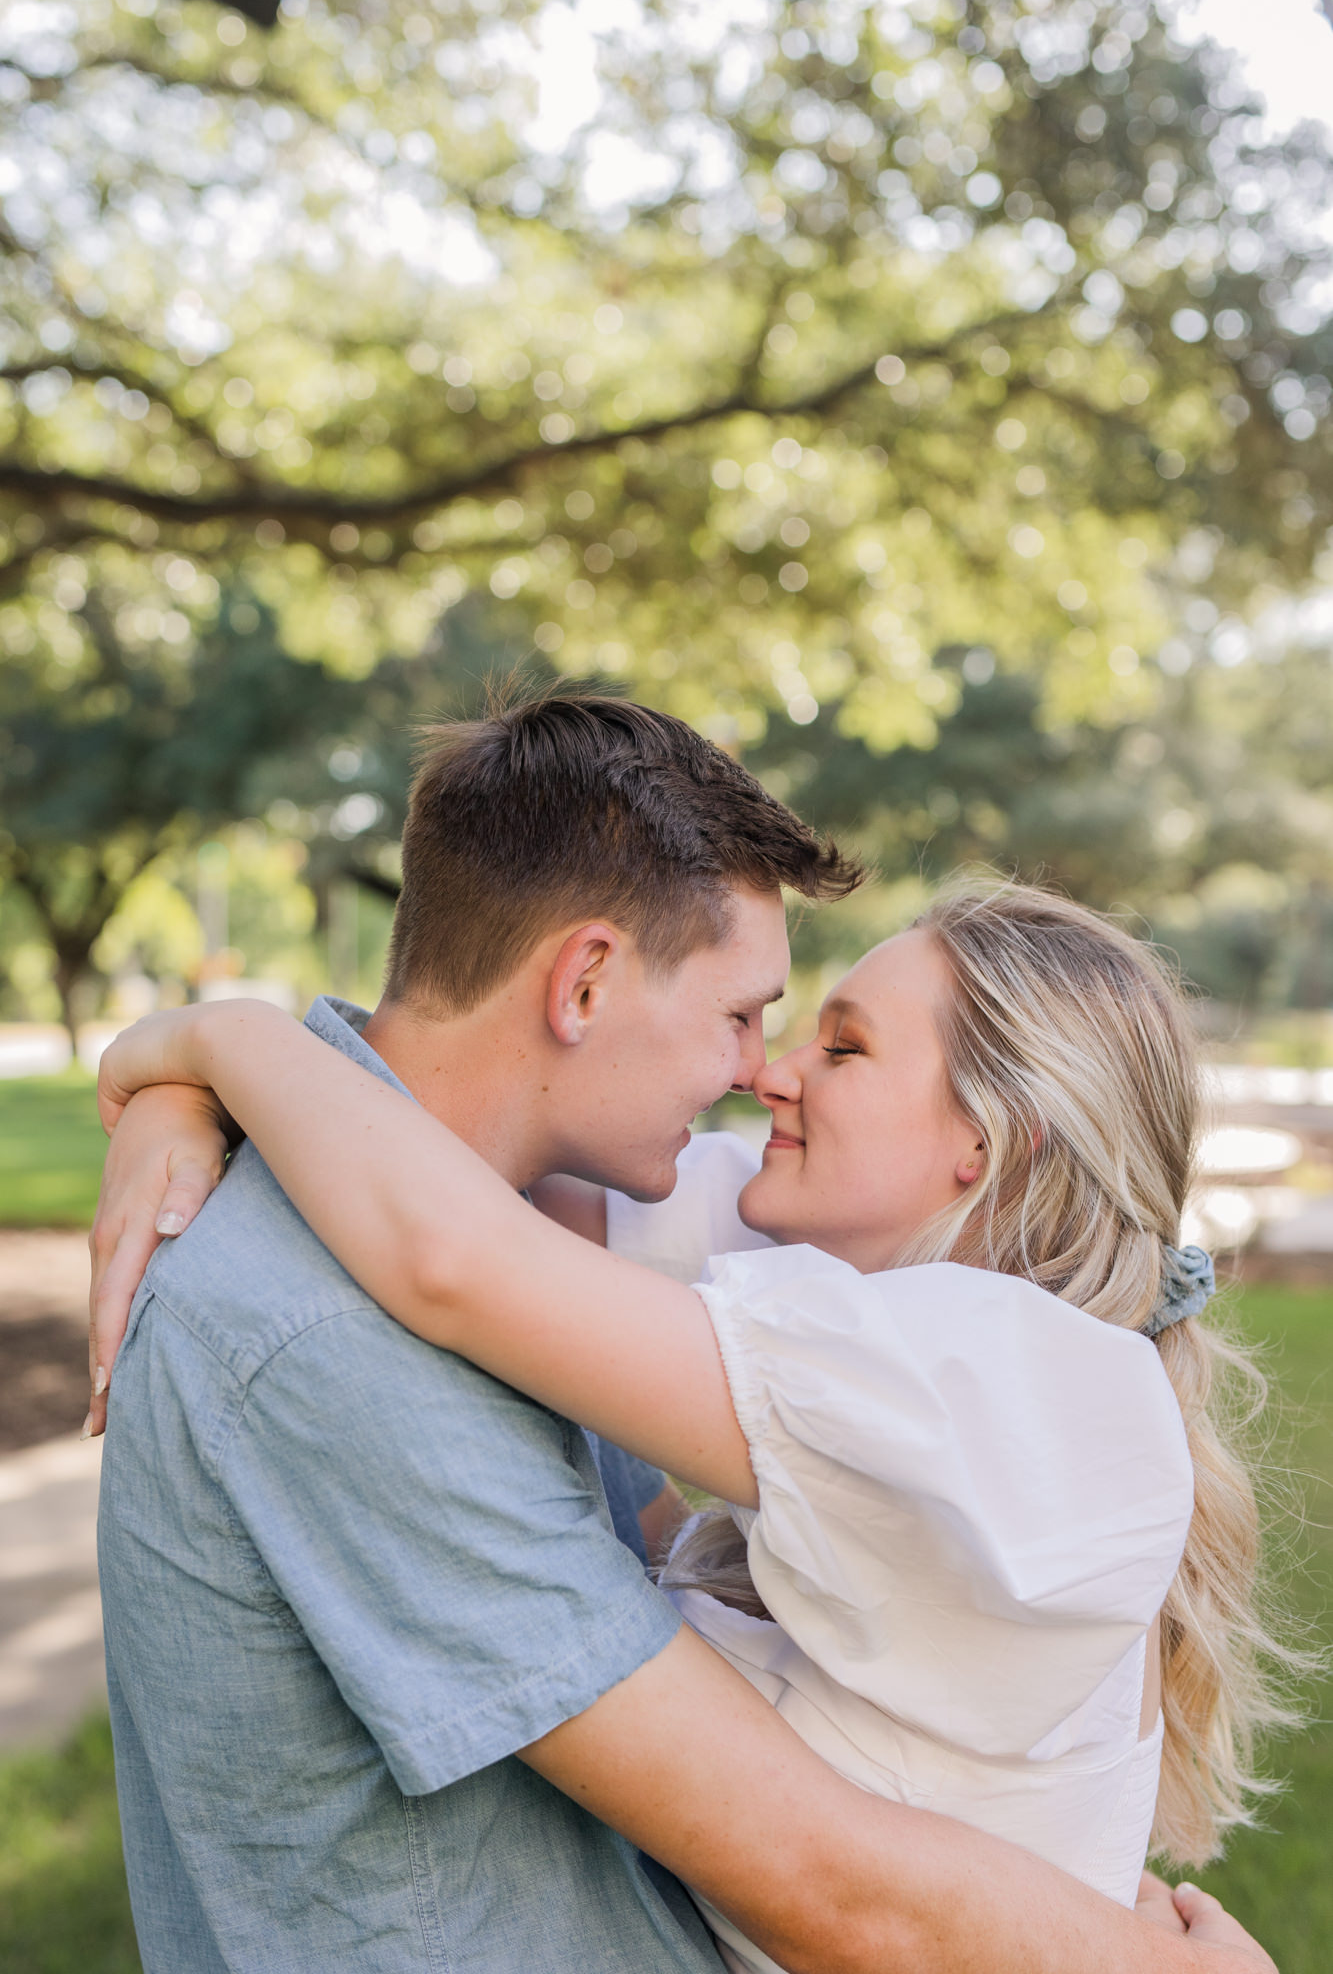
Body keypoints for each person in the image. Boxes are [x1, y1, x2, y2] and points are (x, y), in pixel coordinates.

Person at [89, 693, 1272, 1973]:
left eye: (836, 1041)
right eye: (745, 1016)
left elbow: (461, 1251)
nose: (760, 1069)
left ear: (983, 1145)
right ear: (586, 978)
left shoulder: (995, 1367)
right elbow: (452, 1226)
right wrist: (191, 1081)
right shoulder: (347, 1320)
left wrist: (216, 1043)